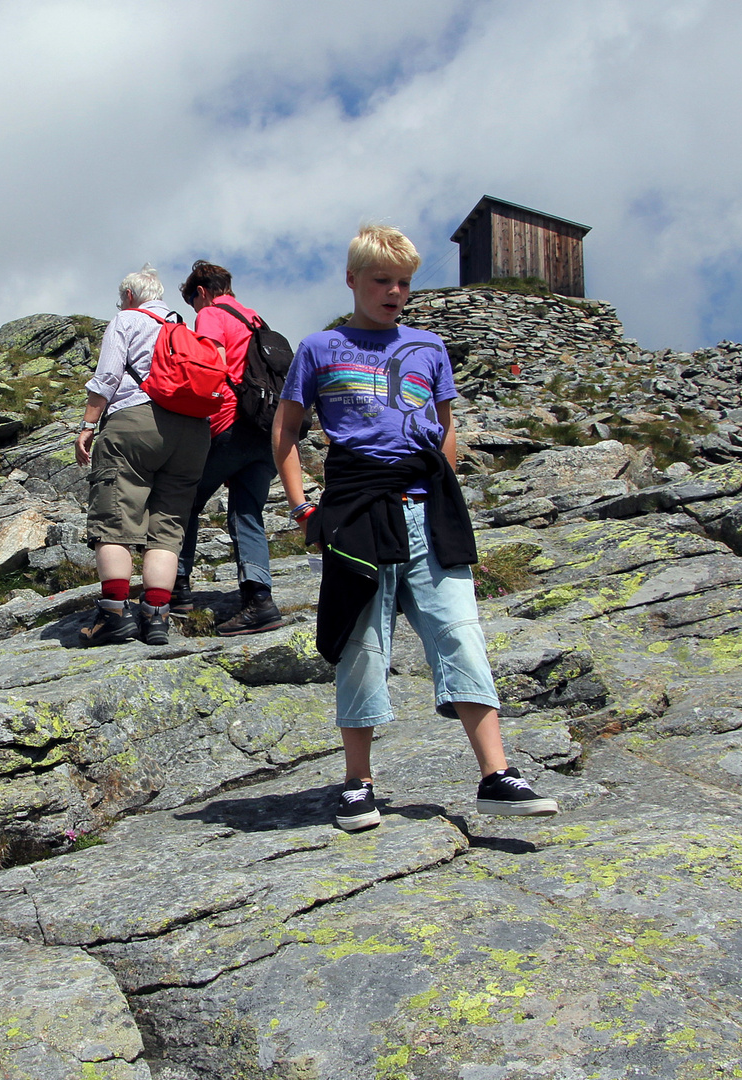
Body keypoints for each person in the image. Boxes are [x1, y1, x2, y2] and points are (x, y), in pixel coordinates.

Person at [273, 225, 558, 830]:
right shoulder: (319, 348)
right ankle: (358, 784)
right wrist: (304, 508)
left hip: (427, 510)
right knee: (361, 642)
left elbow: (446, 424)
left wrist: (443, 487)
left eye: (403, 282)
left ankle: (496, 775)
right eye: (382, 281)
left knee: (460, 630)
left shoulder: (429, 348)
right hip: (354, 512)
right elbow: (286, 432)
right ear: (352, 280)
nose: (395, 292)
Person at [74, 266, 212, 647]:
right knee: (167, 529)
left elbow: (108, 376)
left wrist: (87, 425)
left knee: (114, 519)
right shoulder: (186, 328)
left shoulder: (127, 319)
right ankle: (156, 619)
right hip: (194, 432)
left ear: (130, 297)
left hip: (136, 422)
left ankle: (115, 615)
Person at [172, 260, 287, 636]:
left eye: (193, 303)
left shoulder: (211, 315)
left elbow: (212, 368)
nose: (195, 312)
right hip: (267, 431)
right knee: (247, 513)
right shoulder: (255, 318)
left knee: (186, 499)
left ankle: (179, 588)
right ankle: (259, 601)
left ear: (201, 292)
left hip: (230, 428)